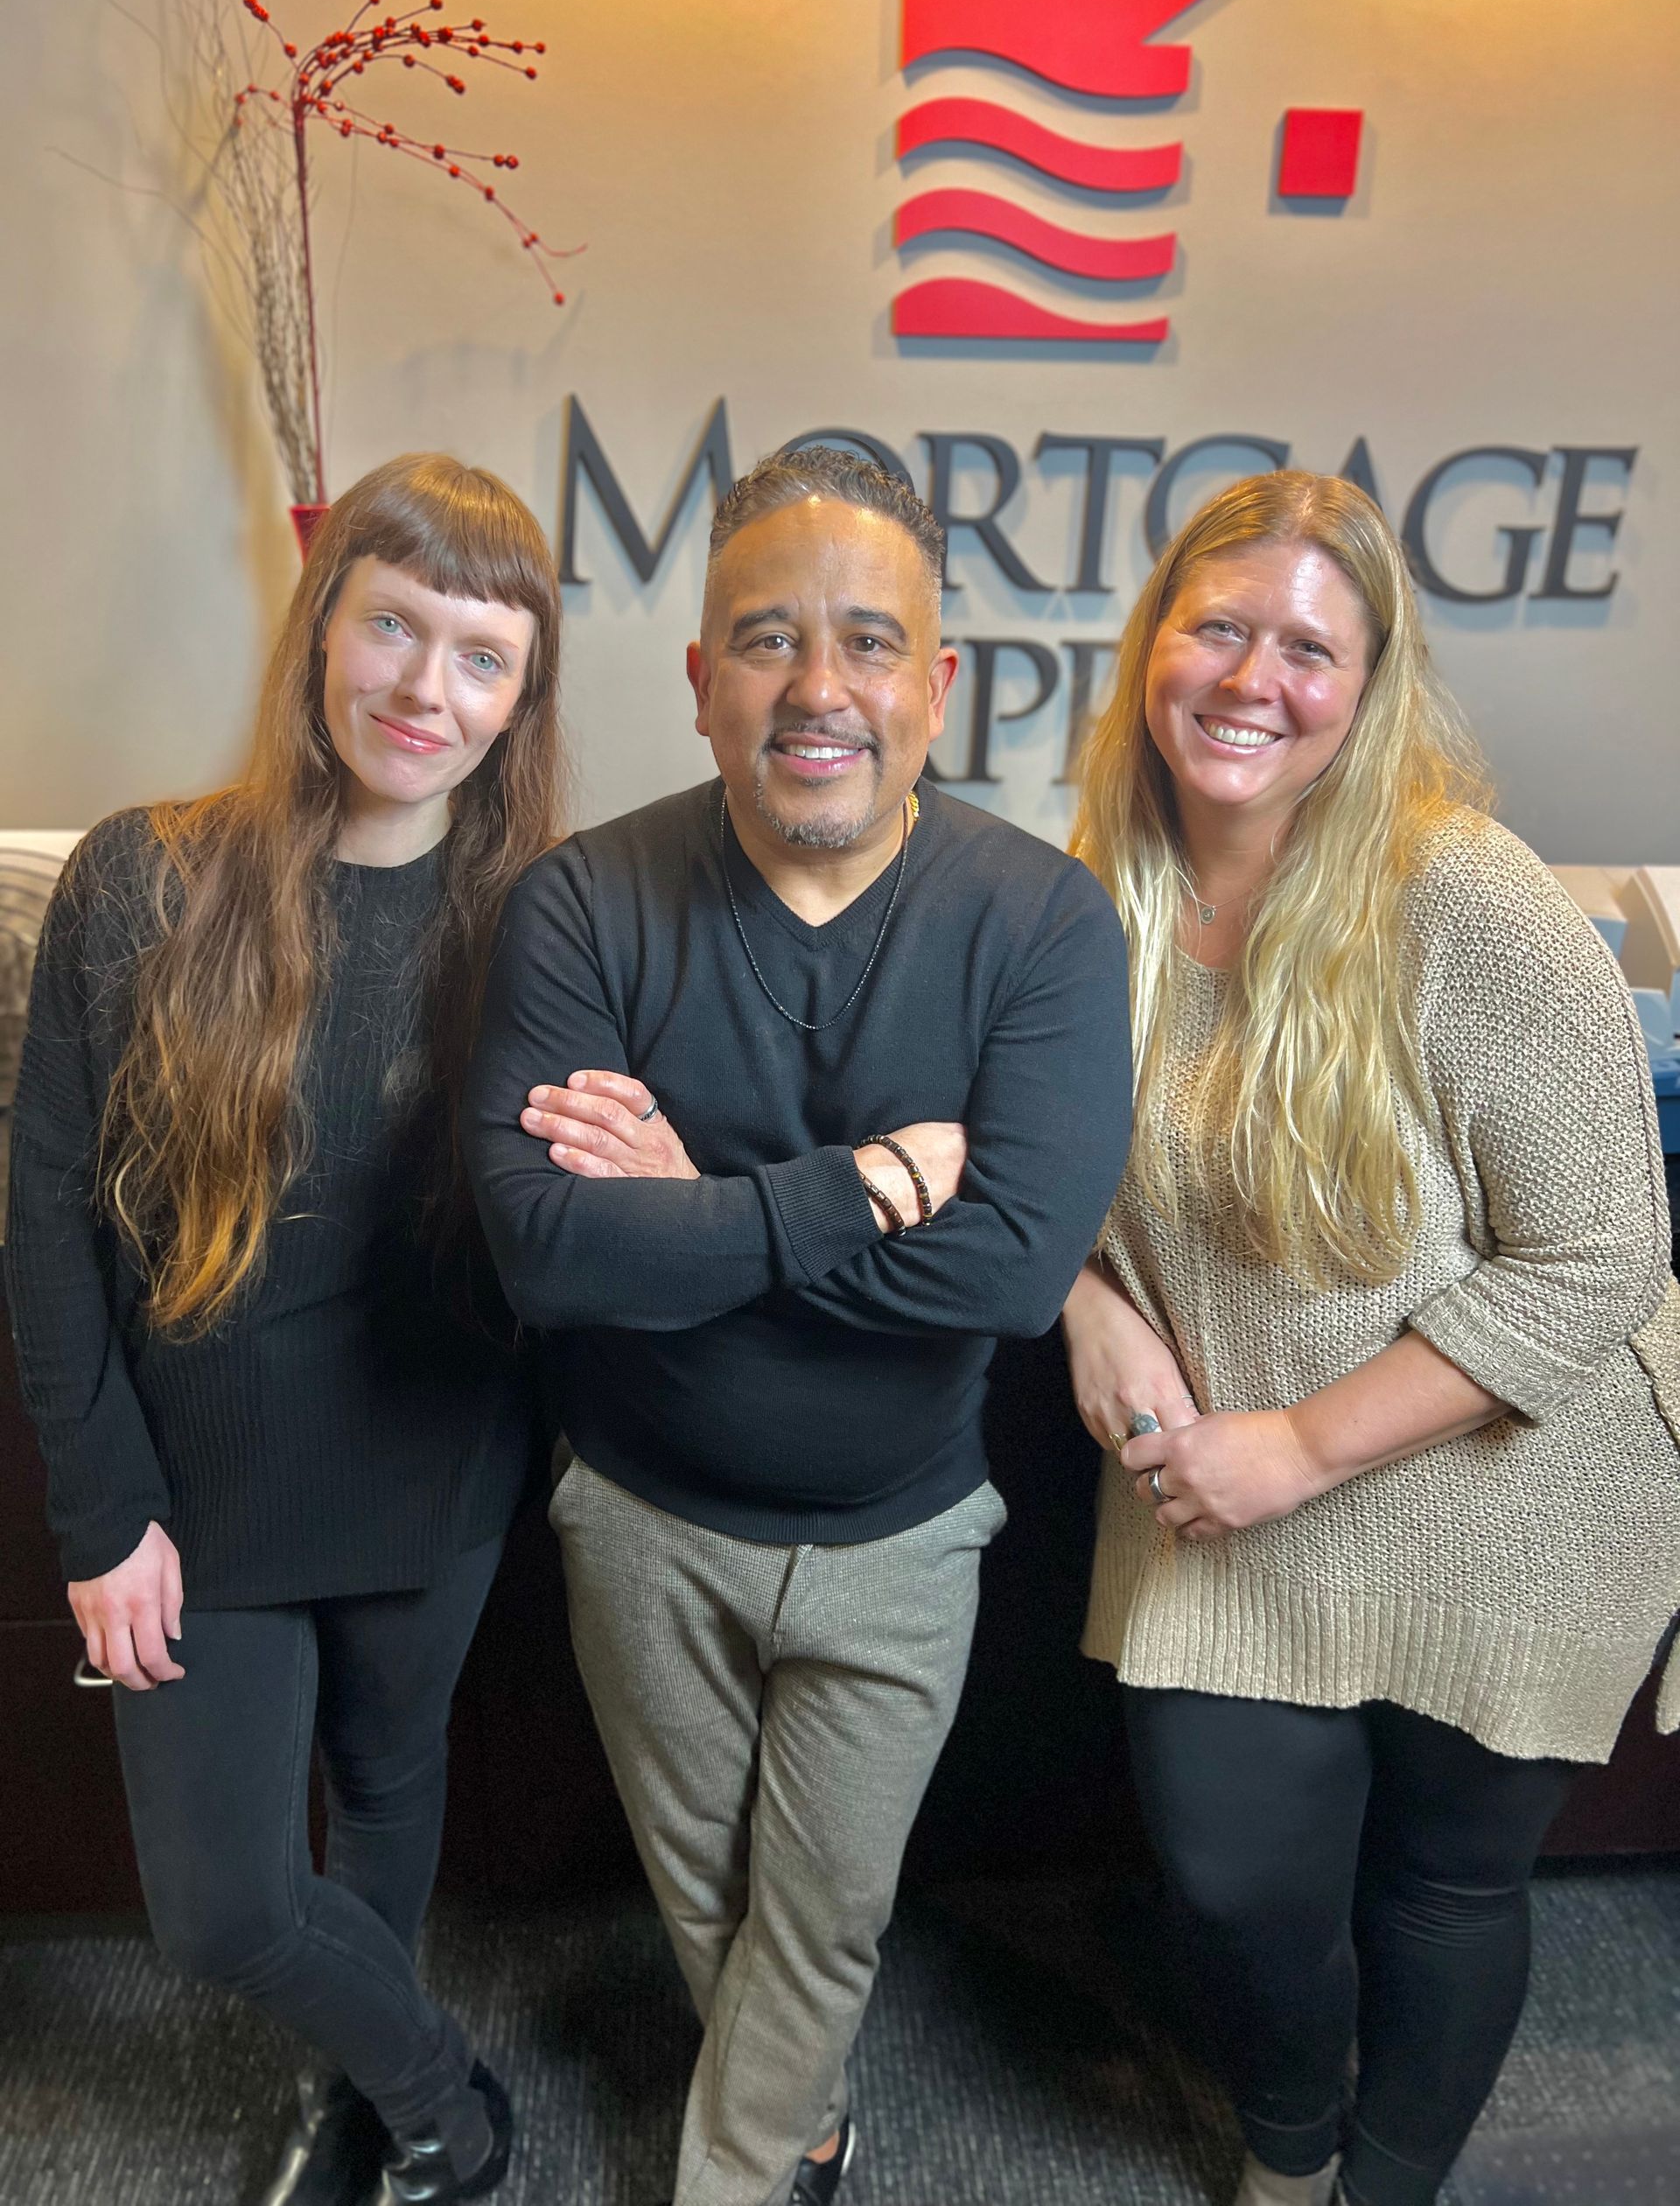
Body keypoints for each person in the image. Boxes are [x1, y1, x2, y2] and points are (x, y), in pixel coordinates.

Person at [463, 445, 1131, 2206]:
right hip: (641, 1514)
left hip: (903, 1530)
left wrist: (685, 1202)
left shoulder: (1043, 921)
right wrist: (849, 1191)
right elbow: (545, 1249)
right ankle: (812, 2118)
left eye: (866, 641)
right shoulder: (584, 904)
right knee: (705, 1890)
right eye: (765, 640)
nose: (817, 688)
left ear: (938, 685)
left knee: (825, 1897)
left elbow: (1004, 1272)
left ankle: (740, 2173)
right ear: (699, 684)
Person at [1061, 468, 1680, 2206]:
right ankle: (1288, 2143)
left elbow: (1602, 1255)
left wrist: (1308, 1443)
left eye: (1310, 648)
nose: (1256, 675)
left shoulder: (1460, 894)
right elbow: (1015, 1168)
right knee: (1233, 1882)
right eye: (1221, 626)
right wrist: (1080, 1301)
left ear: (1371, 683)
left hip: (1505, 1476)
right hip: (1220, 1493)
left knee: (1443, 1887)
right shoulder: (1086, 890)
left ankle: (1380, 2184)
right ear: (1156, 644)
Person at [4, 455, 566, 2206]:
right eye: (393, 626)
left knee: (393, 1799)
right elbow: (45, 1215)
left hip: (433, 1464)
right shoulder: (140, 879)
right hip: (196, 1486)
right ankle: (445, 2099)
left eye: (480, 657)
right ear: (325, 627)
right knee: (224, 1902)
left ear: (520, 702)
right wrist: (101, 1511)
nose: (423, 687)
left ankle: (360, 2106)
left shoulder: (546, 925)